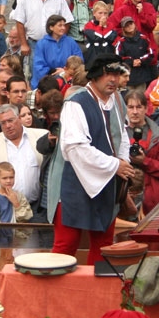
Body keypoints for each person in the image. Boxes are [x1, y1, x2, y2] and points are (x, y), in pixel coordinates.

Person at [46, 54, 134, 263]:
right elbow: (75, 148)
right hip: (72, 182)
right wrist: (115, 165)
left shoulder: (118, 101)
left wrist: (123, 163)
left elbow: (121, 137)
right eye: (107, 74)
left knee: (103, 243)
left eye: (115, 74)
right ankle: (52, 294)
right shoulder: (75, 103)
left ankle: (96, 294)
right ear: (94, 77)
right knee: (66, 244)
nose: (112, 79)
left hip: (107, 179)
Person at [0, 104, 47, 214]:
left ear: (19, 119)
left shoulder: (41, 136)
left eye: (10, 120)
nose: (8, 125)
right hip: (5, 207)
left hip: (37, 206)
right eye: (3, 123)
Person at [125, 90, 159, 214]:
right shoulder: (118, 135)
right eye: (131, 107)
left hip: (153, 203)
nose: (135, 112)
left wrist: (145, 161)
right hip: (125, 201)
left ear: (146, 108)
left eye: (139, 107)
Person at [32, 14, 84, 88]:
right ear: (51, 27)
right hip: (48, 83)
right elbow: (39, 67)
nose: (63, 28)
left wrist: (65, 71)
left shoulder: (71, 42)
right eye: (60, 25)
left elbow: (79, 62)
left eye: (64, 25)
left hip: (69, 81)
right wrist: (55, 72)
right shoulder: (41, 44)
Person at [114, 16, 155, 89]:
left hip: (142, 77)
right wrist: (131, 62)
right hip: (127, 78)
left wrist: (140, 61)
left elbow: (150, 54)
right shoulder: (121, 42)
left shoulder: (144, 39)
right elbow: (118, 57)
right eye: (126, 26)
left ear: (134, 24)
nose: (129, 27)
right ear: (123, 29)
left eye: (131, 24)